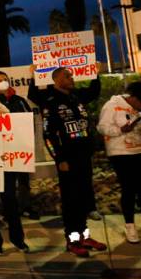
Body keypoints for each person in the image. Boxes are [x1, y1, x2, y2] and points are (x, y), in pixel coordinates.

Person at [28, 66, 106, 257]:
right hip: (67, 160)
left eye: (71, 75)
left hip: (83, 157)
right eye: (67, 76)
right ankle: (72, 242)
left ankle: (84, 236)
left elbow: (94, 91)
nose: (72, 78)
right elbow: (48, 135)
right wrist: (59, 159)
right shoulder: (50, 100)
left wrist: (96, 73)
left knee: (83, 199)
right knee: (71, 202)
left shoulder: (76, 96)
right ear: (57, 80)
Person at [98, 81, 141, 243]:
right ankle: (130, 226)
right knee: (128, 189)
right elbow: (101, 127)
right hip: (121, 154)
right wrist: (121, 130)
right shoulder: (112, 105)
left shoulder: (138, 111)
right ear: (135, 99)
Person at [0, 71, 32, 253]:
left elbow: (27, 124)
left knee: (10, 201)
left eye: (5, 79)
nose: (3, 82)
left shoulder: (18, 101)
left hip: (10, 159)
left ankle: (18, 240)